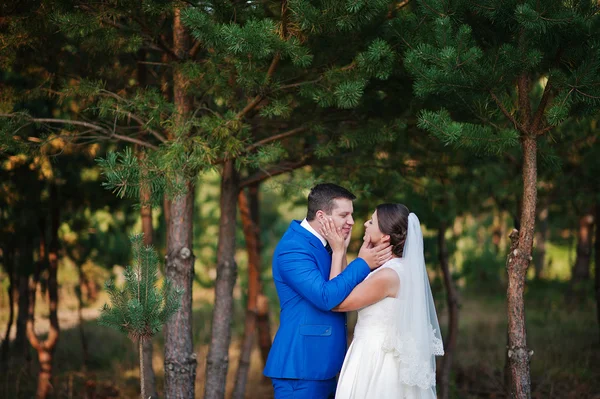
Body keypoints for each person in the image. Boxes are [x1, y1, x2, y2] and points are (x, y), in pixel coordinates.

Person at [264, 183, 394, 399]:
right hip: (301, 367)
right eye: (344, 215)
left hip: (326, 366)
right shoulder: (293, 248)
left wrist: (341, 251)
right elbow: (325, 297)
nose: (352, 222)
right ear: (322, 216)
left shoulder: (329, 245)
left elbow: (341, 288)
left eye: (351, 215)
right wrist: (362, 262)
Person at [321, 203, 444, 399]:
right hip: (378, 353)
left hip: (375, 360)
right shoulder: (397, 269)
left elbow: (336, 302)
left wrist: (336, 252)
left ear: (385, 236)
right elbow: (345, 287)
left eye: (372, 221)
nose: (365, 224)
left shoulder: (388, 275)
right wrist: (344, 252)